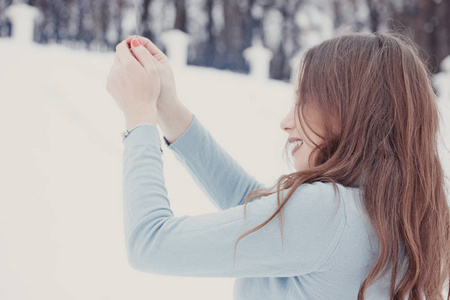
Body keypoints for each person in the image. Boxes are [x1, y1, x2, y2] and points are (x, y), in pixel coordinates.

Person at [106, 31, 450, 299]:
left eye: (304, 99)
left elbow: (149, 244)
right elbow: (258, 209)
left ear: (350, 112)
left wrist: (140, 118)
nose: (286, 121)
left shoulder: (327, 213)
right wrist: (169, 110)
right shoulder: (397, 214)